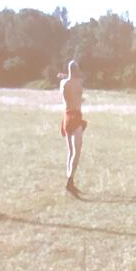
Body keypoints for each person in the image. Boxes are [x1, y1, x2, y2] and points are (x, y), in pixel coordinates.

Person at [58, 59, 87, 196]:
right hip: (76, 116)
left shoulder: (63, 83)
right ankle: (70, 179)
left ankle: (70, 180)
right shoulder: (79, 83)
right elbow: (79, 89)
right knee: (77, 151)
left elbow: (67, 92)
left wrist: (64, 76)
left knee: (70, 151)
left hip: (66, 117)